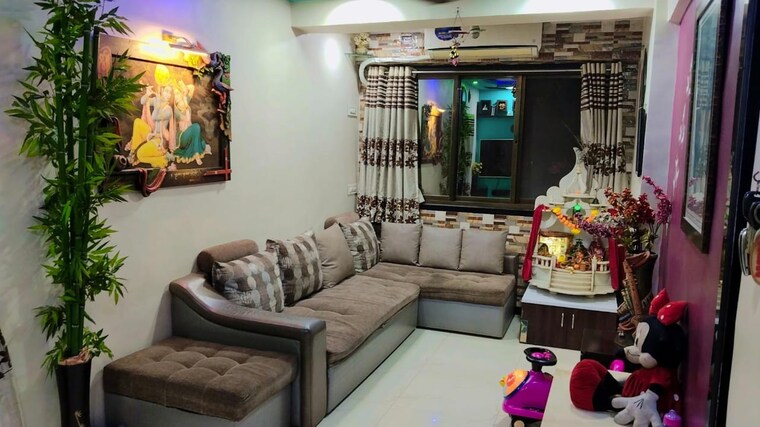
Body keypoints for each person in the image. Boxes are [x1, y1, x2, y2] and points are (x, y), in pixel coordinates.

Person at [172, 80, 211, 165]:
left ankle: (196, 150)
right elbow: (184, 117)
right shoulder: (176, 110)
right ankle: (196, 155)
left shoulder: (185, 100)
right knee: (196, 126)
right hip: (182, 137)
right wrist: (184, 98)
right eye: (174, 94)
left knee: (202, 143)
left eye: (177, 93)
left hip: (191, 133)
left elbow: (191, 87)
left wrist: (182, 85)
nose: (176, 96)